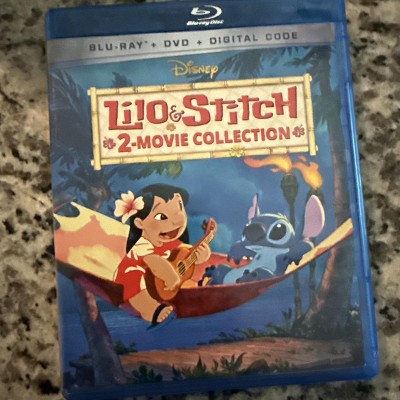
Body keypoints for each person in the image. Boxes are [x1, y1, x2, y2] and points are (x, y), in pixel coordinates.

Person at [113, 183, 210, 328]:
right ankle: (150, 309)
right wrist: (168, 273)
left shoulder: (170, 242)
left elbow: (186, 252)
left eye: (179, 209)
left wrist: (201, 254)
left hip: (162, 287)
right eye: (161, 216)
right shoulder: (143, 245)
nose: (176, 220)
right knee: (133, 277)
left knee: (187, 274)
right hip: (136, 282)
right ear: (140, 223)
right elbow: (153, 261)